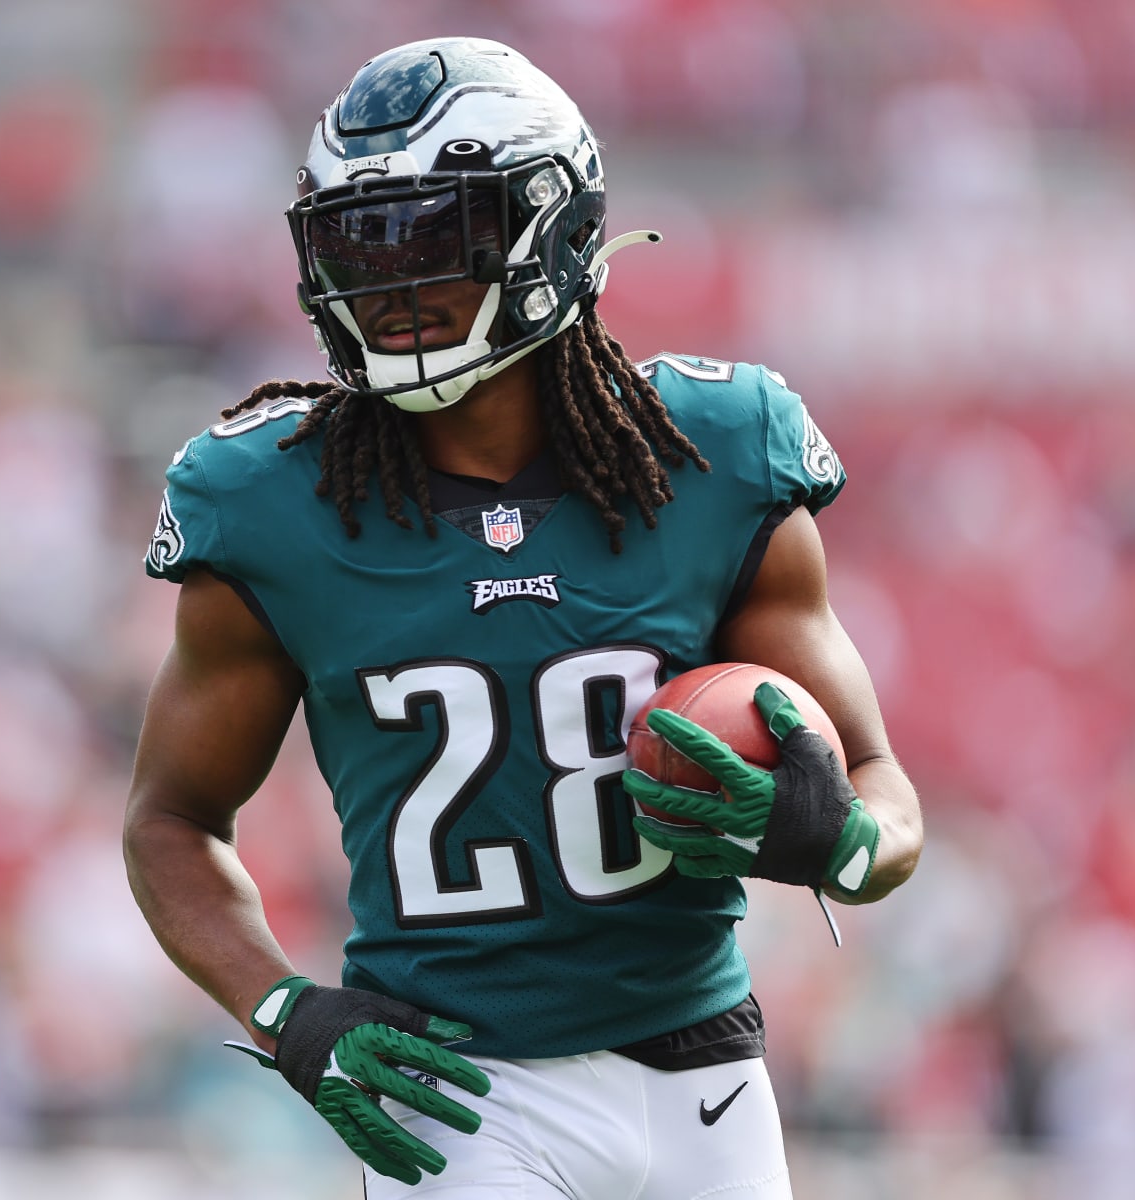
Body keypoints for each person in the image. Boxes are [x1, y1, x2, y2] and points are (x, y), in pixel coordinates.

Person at [124, 36, 922, 1198]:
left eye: (433, 236)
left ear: (551, 229)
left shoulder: (717, 454)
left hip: (704, 1072)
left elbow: (881, 784)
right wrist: (287, 1011)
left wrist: (845, 841)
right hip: (451, 1091)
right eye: (358, 241)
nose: (386, 286)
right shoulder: (270, 504)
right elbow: (169, 821)